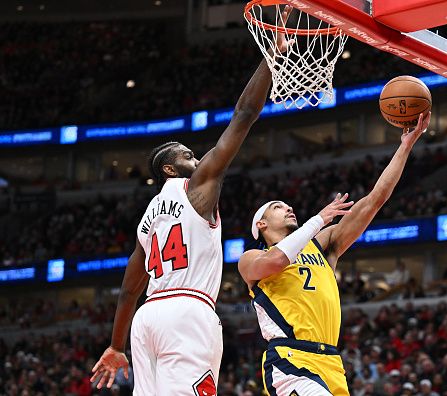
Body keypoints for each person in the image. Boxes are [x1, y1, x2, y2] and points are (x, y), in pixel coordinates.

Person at [90, 7, 295, 395]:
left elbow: (129, 291)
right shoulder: (197, 186)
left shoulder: (147, 220)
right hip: (188, 312)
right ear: (169, 170)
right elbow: (244, 114)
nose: (197, 158)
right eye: (186, 155)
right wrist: (272, 58)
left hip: (147, 319)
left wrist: (117, 345)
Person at [238, 113, 431, 395]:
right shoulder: (251, 259)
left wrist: (406, 146)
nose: (288, 207)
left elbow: (374, 201)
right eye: (278, 206)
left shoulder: (321, 245)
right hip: (291, 359)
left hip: (331, 363)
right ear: (261, 224)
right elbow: (277, 260)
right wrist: (317, 220)